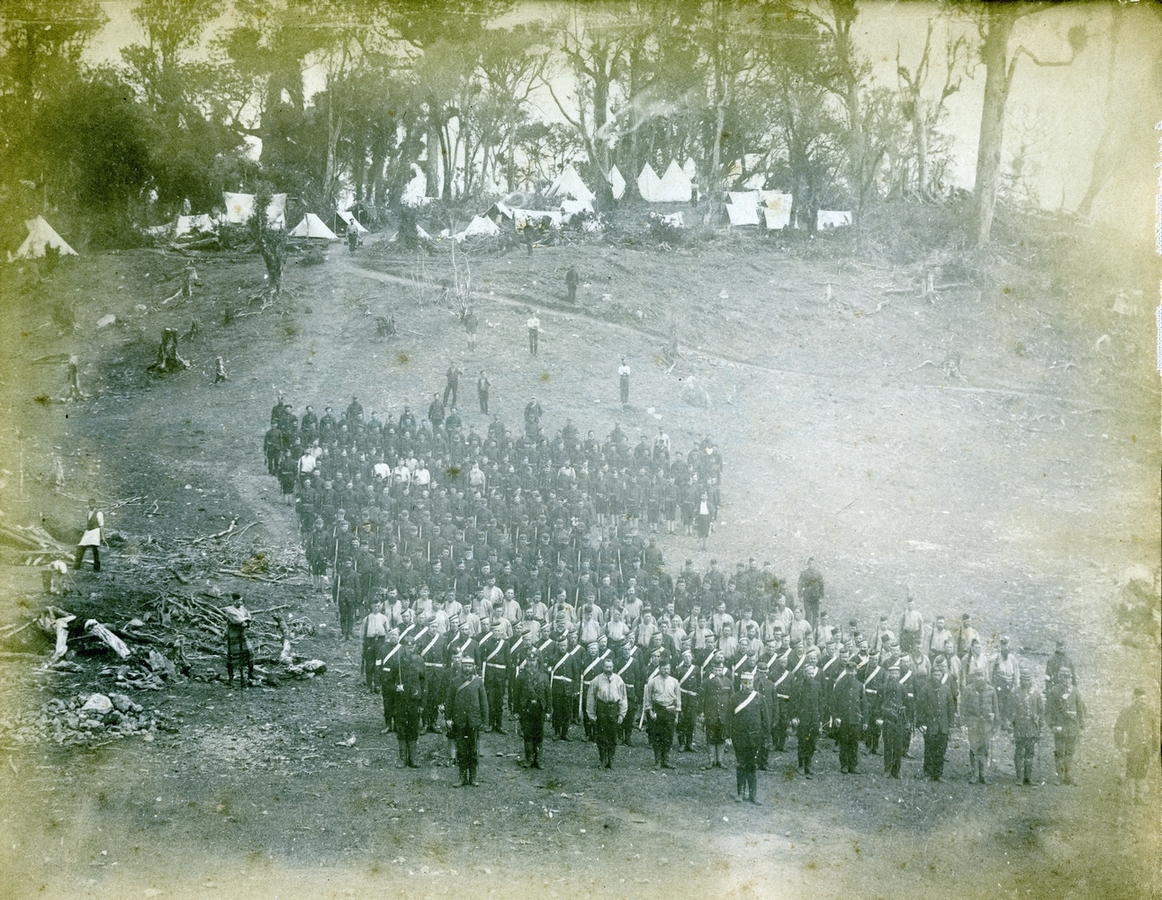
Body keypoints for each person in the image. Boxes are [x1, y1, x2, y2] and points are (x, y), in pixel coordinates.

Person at [446, 657, 488, 786]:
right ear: (461, 667)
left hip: (473, 720)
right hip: (459, 720)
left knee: (473, 750)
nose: (467, 668)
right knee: (461, 750)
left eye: (470, 666)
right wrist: (448, 718)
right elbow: (449, 701)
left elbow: (483, 702)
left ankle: (473, 777)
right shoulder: (454, 682)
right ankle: (462, 777)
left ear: (473, 667)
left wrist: (484, 720)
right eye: (465, 666)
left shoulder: (478, 682)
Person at [727, 669, 768, 803]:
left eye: (750, 682)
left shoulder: (759, 698)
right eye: (745, 682)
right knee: (741, 765)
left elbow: (765, 718)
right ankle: (740, 793)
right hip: (739, 738)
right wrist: (728, 735)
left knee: (752, 765)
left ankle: (753, 795)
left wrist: (766, 736)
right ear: (741, 683)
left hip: (755, 738)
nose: (748, 685)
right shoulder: (734, 698)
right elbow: (729, 718)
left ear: (753, 683)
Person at [918, 658, 956, 781]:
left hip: (943, 726)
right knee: (929, 750)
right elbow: (920, 708)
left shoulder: (946, 689)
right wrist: (921, 723)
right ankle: (928, 773)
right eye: (935, 674)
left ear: (942, 676)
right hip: (930, 725)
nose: (936, 677)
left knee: (941, 751)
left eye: (939, 675)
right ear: (931, 675)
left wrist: (950, 724)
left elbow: (951, 707)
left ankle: (937, 774)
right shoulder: (925, 689)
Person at [1114, 687, 1154, 804]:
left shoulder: (1148, 712)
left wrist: (1155, 747)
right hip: (1132, 748)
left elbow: (1154, 730)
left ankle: (1139, 797)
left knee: (1142, 772)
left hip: (1145, 748)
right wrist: (1121, 746)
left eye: (1145, 700)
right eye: (1141, 699)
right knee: (1130, 772)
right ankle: (1127, 797)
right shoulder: (1127, 712)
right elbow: (1118, 729)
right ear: (1135, 699)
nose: (1143, 702)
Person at [586, 656, 628, 769]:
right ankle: (603, 759)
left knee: (613, 735)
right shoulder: (596, 680)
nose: (608, 669)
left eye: (610, 667)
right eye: (606, 667)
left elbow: (623, 698)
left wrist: (621, 714)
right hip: (602, 709)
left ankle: (611, 760)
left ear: (613, 667)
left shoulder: (619, 680)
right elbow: (591, 698)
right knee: (602, 735)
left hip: (613, 709)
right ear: (603, 667)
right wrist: (591, 714)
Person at [1046, 666, 1085, 785]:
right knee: (1059, 752)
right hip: (1060, 726)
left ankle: (1068, 775)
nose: (1066, 680)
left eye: (1068, 677)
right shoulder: (1054, 691)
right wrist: (1052, 725)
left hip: (1072, 727)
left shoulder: (1075, 691)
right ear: (1059, 678)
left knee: (1070, 752)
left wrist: (1081, 725)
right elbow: (1048, 711)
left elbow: (1081, 709)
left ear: (1071, 678)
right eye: (1063, 677)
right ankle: (1059, 776)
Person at [394, 634, 426, 768]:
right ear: (403, 647)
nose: (409, 648)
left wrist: (423, 703)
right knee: (401, 729)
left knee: (413, 728)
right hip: (401, 700)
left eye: (412, 646)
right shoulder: (398, 661)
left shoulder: (419, 661)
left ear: (414, 647)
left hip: (415, 700)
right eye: (407, 646)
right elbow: (389, 681)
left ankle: (412, 758)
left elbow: (424, 683)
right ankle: (402, 758)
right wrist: (396, 687)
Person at [643, 658, 681, 769]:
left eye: (668, 669)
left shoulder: (674, 682)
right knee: (657, 735)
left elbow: (678, 699)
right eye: (664, 669)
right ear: (659, 669)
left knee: (668, 735)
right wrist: (650, 711)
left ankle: (666, 760)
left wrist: (677, 715)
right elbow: (648, 698)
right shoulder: (653, 681)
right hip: (657, 710)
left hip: (670, 710)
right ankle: (658, 760)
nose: (666, 671)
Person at [516, 649, 551, 768]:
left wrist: (548, 711)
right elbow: (516, 694)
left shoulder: (543, 676)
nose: (531, 663)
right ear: (526, 660)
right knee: (527, 733)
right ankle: (529, 758)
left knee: (539, 733)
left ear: (537, 661)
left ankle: (538, 759)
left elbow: (548, 694)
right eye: (529, 660)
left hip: (539, 708)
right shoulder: (521, 676)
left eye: (534, 660)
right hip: (526, 708)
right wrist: (516, 711)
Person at [962, 670, 998, 784]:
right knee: (973, 749)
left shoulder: (991, 690)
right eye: (977, 676)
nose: (980, 678)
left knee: (984, 749)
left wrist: (996, 723)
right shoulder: (968, 690)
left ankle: (983, 775)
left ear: (985, 676)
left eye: (982, 675)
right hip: (973, 723)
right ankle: (974, 775)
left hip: (986, 725)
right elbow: (963, 708)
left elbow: (995, 708)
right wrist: (963, 724)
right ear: (974, 677)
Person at [830, 657, 865, 775]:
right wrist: (836, 717)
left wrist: (865, 719)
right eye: (849, 670)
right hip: (843, 719)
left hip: (855, 718)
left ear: (856, 671)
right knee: (844, 742)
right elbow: (834, 703)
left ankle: (853, 765)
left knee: (854, 743)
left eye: (853, 671)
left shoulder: (859, 685)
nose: (851, 673)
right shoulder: (839, 684)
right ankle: (844, 765)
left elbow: (863, 703)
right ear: (846, 670)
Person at [1010, 662, 1043, 786]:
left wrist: (1038, 719)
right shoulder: (1015, 692)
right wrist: (1012, 722)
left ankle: (1028, 777)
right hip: (1019, 726)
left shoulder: (1036, 693)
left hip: (1031, 726)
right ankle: (1019, 777)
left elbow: (1041, 710)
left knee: (1030, 752)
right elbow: (1010, 710)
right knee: (1019, 752)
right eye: (1024, 679)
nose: (1027, 681)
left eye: (1029, 679)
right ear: (1020, 679)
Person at [701, 658, 733, 769]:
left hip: (723, 716)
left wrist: (730, 714)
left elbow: (732, 699)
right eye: (716, 670)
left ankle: (720, 760)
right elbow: (701, 699)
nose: (718, 673)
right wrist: (701, 713)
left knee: (721, 738)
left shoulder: (728, 682)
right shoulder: (706, 683)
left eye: (720, 670)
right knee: (710, 738)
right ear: (712, 670)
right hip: (711, 715)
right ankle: (711, 761)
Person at [223, 596, 254, 687]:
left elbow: (248, 617)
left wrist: (247, 622)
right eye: (238, 601)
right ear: (233, 601)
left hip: (242, 633)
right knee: (233, 656)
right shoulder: (230, 610)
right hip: (233, 634)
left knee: (249, 652)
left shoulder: (242, 608)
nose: (240, 602)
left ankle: (250, 675)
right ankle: (231, 678)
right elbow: (237, 620)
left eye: (241, 600)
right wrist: (244, 622)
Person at [74, 501, 103, 572]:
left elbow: (101, 525)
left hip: (95, 531)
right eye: (89, 504)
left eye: (92, 503)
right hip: (88, 532)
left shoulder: (99, 513)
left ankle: (96, 568)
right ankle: (76, 566)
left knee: (95, 549)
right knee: (81, 547)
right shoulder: (88, 513)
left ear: (95, 504)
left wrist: (102, 536)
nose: (91, 505)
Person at [797, 559, 823, 629]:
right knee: (808, 614)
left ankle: (815, 629)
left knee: (815, 614)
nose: (811, 565)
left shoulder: (818, 573)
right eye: (810, 564)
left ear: (814, 564)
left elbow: (821, 585)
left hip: (816, 597)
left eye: (812, 563)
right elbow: (800, 584)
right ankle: (807, 629)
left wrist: (821, 597)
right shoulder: (804, 573)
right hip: (807, 596)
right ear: (807, 564)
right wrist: (800, 595)